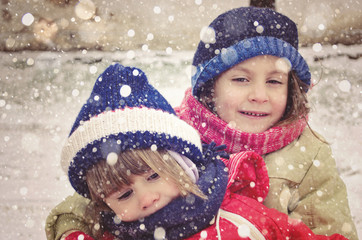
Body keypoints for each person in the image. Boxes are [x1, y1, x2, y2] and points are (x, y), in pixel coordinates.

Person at [47, 63, 348, 240]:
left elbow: (294, 232)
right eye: (124, 195)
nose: (146, 197)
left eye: (153, 176)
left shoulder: (233, 210)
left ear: (181, 164)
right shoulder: (111, 231)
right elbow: (72, 212)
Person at [175, 6, 357, 239]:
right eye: (241, 79)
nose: (259, 95)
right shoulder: (177, 140)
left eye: (274, 81)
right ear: (210, 89)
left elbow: (332, 231)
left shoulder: (309, 156)